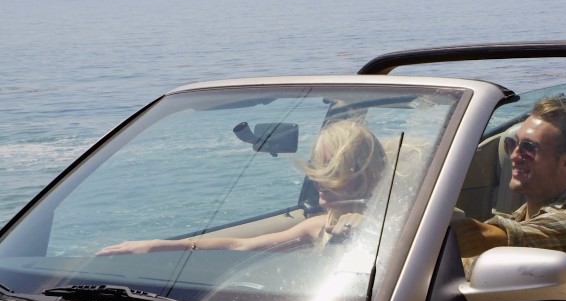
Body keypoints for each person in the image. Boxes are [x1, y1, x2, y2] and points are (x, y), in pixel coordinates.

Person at [96, 119, 387, 255]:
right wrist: (161, 245)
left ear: (365, 174)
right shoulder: (318, 227)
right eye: (316, 168)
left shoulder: (389, 227)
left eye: (332, 170)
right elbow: (240, 244)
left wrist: (363, 228)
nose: (317, 181)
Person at [452, 96, 566, 272]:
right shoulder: (516, 219)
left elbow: (477, 236)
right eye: (512, 144)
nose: (514, 156)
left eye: (529, 148)